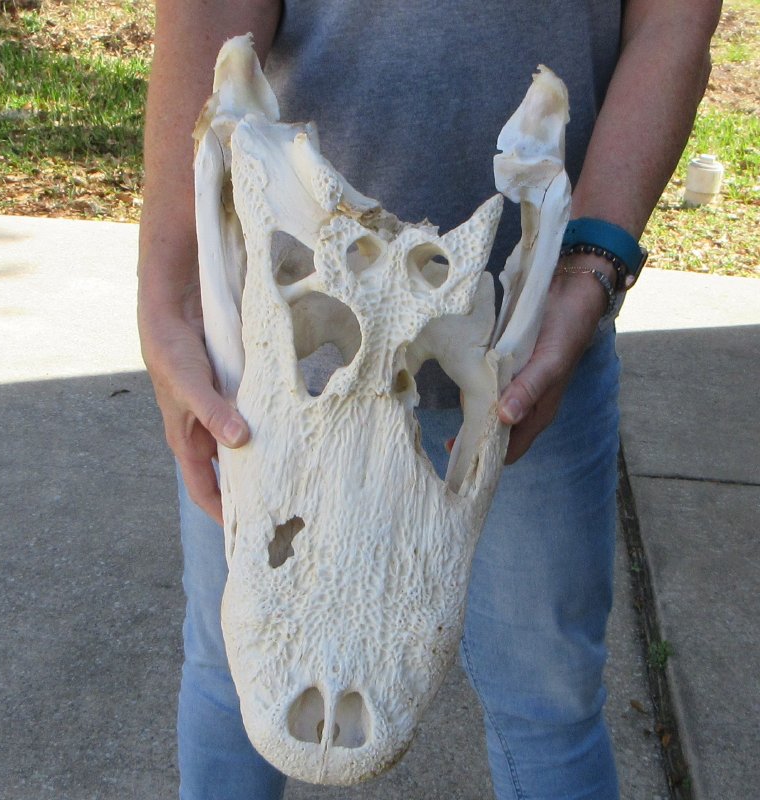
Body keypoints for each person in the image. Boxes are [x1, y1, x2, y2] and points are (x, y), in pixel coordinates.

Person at [137, 2, 720, 798]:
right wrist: (168, 290)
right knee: (229, 673)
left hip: (532, 359)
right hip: (279, 366)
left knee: (548, 702)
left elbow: (673, 19)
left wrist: (590, 265)